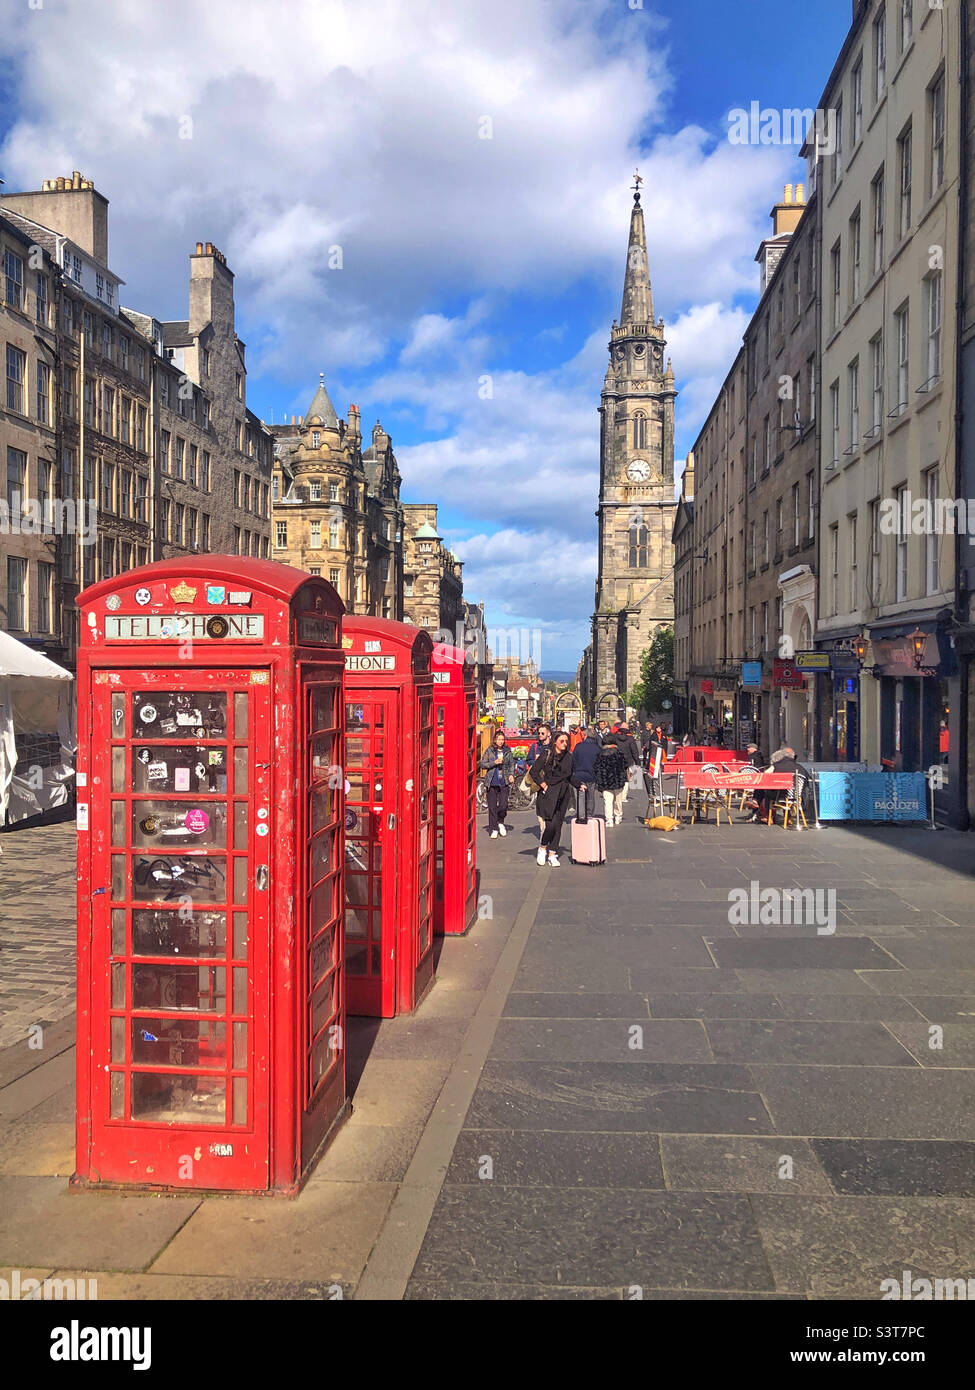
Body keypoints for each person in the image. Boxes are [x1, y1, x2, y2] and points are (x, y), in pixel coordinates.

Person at [533, 730, 574, 866]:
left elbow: (570, 775)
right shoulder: (547, 754)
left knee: (558, 825)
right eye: (562, 741)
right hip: (549, 793)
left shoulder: (568, 756)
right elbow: (534, 771)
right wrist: (543, 785)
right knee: (550, 825)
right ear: (555, 741)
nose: (564, 743)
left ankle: (552, 853)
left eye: (566, 741)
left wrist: (580, 785)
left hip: (563, 793)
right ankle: (543, 848)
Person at [479, 730, 516, 838]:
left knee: (503, 805)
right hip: (492, 781)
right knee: (492, 807)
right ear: (495, 740)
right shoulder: (490, 751)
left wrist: (511, 774)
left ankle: (500, 822)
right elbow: (482, 764)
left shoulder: (507, 751)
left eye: (502, 739)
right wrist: (493, 763)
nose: (501, 741)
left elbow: (511, 764)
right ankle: (494, 828)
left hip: (503, 781)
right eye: (499, 739)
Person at [594, 732, 628, 826]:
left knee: (608, 801)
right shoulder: (619, 753)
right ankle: (618, 816)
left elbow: (596, 767)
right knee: (618, 800)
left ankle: (609, 819)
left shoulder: (600, 754)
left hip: (605, 781)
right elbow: (625, 765)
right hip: (618, 780)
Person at [571, 725, 603, 821]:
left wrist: (574, 772)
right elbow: (599, 763)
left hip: (579, 775)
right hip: (592, 775)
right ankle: (589, 813)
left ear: (585, 736)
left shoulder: (578, 746)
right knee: (590, 795)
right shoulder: (597, 748)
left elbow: (573, 760)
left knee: (580, 794)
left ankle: (580, 813)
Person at [526, 722, 553, 839]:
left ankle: (550, 828)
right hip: (538, 781)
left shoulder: (553, 747)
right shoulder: (535, 747)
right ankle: (543, 829)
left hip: (551, 780)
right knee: (540, 807)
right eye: (539, 733)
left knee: (551, 806)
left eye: (543, 733)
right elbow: (529, 760)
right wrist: (536, 762)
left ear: (549, 733)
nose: (540, 735)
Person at [615, 722, 642, 806]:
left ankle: (617, 796)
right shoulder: (630, 738)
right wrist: (638, 762)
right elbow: (634, 751)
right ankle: (623, 797)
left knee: (617, 777)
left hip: (616, 760)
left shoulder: (614, 736)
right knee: (627, 779)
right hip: (628, 761)